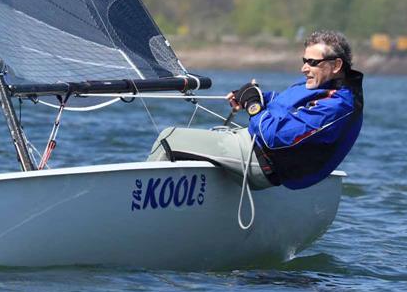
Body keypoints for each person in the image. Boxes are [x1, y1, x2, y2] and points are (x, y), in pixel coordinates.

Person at [148, 30, 363, 190]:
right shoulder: (323, 87)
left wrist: (253, 106)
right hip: (252, 147)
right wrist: (256, 95)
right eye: (304, 61)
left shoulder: (338, 105)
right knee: (202, 141)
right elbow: (283, 102)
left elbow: (274, 137)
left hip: (262, 163)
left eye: (312, 62)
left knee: (169, 138)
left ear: (336, 66)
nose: (303, 68)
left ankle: (132, 214)